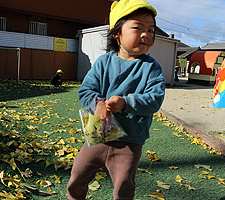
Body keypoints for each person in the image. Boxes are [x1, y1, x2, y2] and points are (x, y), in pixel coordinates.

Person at [67, 0, 165, 199]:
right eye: (137, 28)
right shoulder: (104, 62)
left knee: (124, 186)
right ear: (116, 33)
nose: (146, 34)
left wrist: (126, 103)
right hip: (97, 135)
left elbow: (155, 99)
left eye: (151, 30)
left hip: (130, 141)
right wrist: (98, 104)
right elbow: (86, 90)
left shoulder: (151, 67)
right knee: (77, 175)